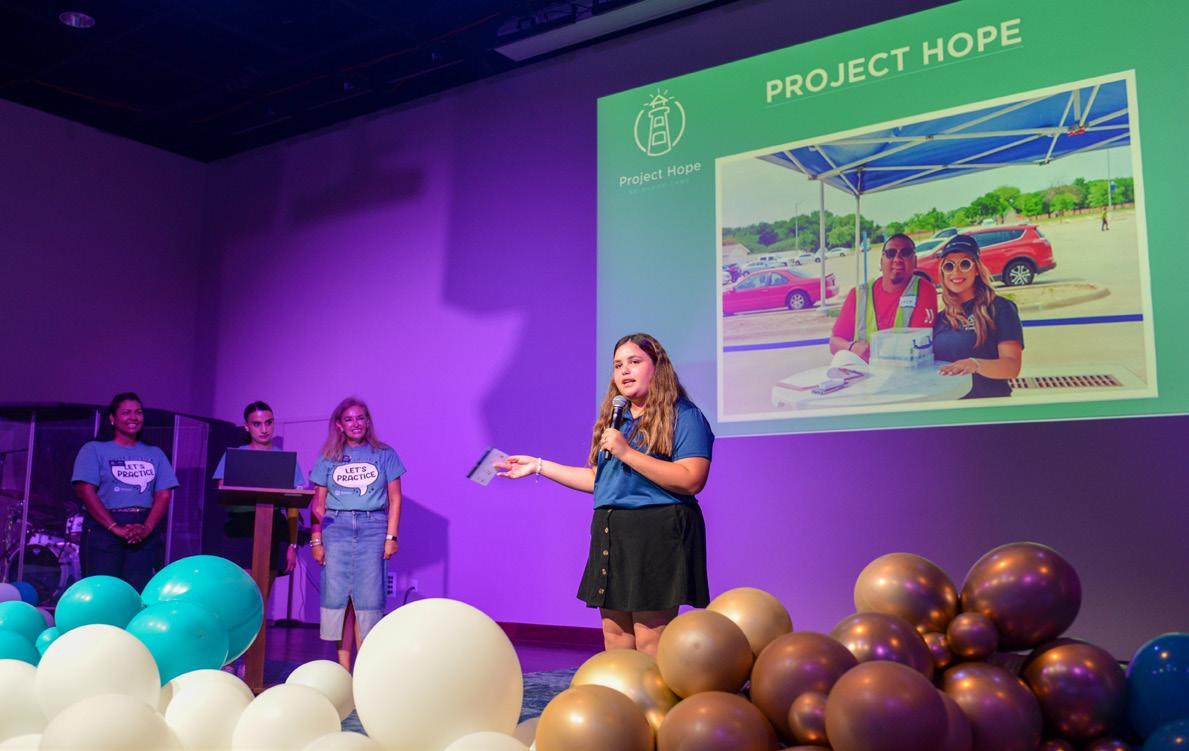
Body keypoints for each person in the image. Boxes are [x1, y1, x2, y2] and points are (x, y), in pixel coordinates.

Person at [495, 333, 713, 656]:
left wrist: (627, 453)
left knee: (651, 639)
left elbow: (692, 478)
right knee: (615, 636)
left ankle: (655, 692)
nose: (624, 370)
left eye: (634, 362)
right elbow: (600, 479)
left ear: (658, 368)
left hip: (657, 532)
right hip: (612, 531)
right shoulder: (617, 421)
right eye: (618, 365)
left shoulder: (684, 415)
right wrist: (539, 466)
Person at [309, 398, 404, 670]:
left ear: (368, 422)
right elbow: (318, 504)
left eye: (360, 418)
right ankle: (343, 669)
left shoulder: (385, 454)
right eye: (349, 419)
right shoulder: (328, 457)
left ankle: (364, 668)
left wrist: (391, 537)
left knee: (368, 600)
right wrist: (316, 541)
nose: (356, 424)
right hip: (336, 528)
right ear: (340, 425)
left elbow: (395, 498)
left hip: (373, 528)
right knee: (340, 599)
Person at [71, 392, 178, 591]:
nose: (133, 417)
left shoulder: (154, 453)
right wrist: (114, 527)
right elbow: (85, 491)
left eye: (138, 412)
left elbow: (164, 494)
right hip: (104, 527)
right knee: (103, 591)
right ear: (112, 418)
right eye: (126, 412)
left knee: (138, 592)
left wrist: (146, 528)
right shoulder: (93, 449)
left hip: (143, 528)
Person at [212, 401, 303, 598]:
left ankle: (261, 621)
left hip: (273, 527)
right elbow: (223, 491)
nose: (264, 429)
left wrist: (292, 544)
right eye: (257, 424)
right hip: (241, 528)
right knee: (241, 594)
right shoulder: (235, 456)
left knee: (262, 594)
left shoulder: (285, 460)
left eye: (268, 422)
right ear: (247, 427)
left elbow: (294, 505)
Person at [933, 235, 1024, 398]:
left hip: (988, 406)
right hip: (948, 407)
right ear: (943, 273)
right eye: (949, 266)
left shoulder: (1000, 308)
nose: (956, 272)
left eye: (965, 264)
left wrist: (975, 364)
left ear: (976, 269)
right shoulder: (939, 319)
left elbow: (1012, 367)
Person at [829, 233, 938, 361]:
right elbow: (834, 343)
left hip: (905, 369)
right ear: (881, 262)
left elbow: (917, 345)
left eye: (906, 253)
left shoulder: (924, 290)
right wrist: (852, 347)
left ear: (915, 261)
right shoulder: (859, 295)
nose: (897, 259)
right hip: (864, 369)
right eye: (891, 253)